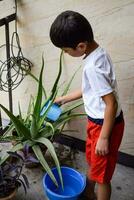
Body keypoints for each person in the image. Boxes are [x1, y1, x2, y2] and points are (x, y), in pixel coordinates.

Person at [49, 10, 124, 200]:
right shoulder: (98, 53)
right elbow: (92, 90)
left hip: (104, 126)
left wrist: (104, 138)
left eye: (66, 50)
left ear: (81, 46)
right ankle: (89, 193)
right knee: (94, 163)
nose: (65, 54)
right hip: (98, 123)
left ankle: (96, 192)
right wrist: (65, 98)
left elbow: (111, 104)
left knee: (103, 178)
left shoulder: (93, 67)